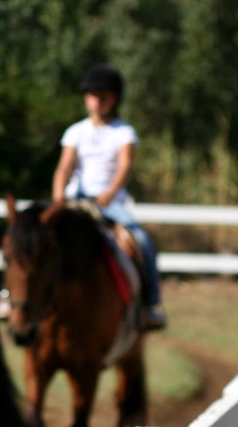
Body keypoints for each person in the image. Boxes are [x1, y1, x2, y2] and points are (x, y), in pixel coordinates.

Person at [51, 64, 166, 331]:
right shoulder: (76, 132)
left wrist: (108, 195)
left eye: (103, 96)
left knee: (142, 240)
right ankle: (13, 299)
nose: (96, 101)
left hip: (109, 202)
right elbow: (64, 168)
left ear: (114, 99)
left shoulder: (123, 132)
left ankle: (151, 304)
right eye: (92, 95)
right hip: (75, 200)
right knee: (35, 236)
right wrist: (58, 198)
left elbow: (125, 167)